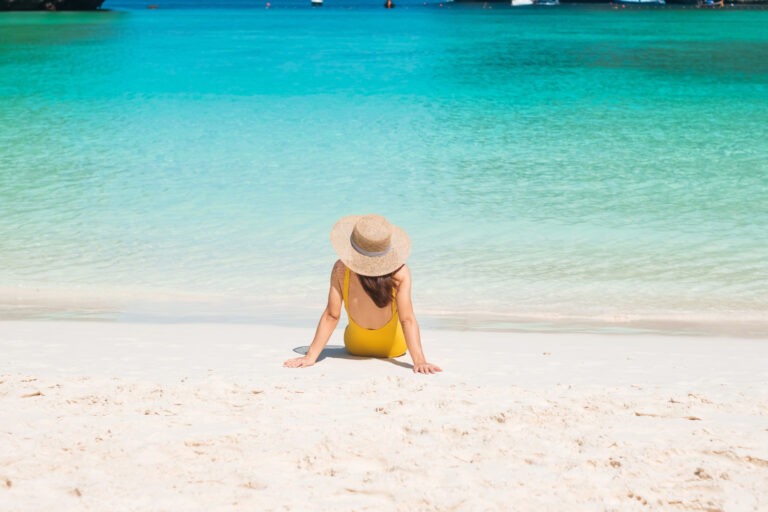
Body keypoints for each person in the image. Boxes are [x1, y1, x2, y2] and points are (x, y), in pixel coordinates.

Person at [283, 214, 442, 375]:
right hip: (394, 348)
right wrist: (420, 361)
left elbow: (331, 316)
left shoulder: (341, 268)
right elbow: (407, 320)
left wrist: (310, 357)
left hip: (355, 347)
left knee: (348, 327)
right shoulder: (401, 273)